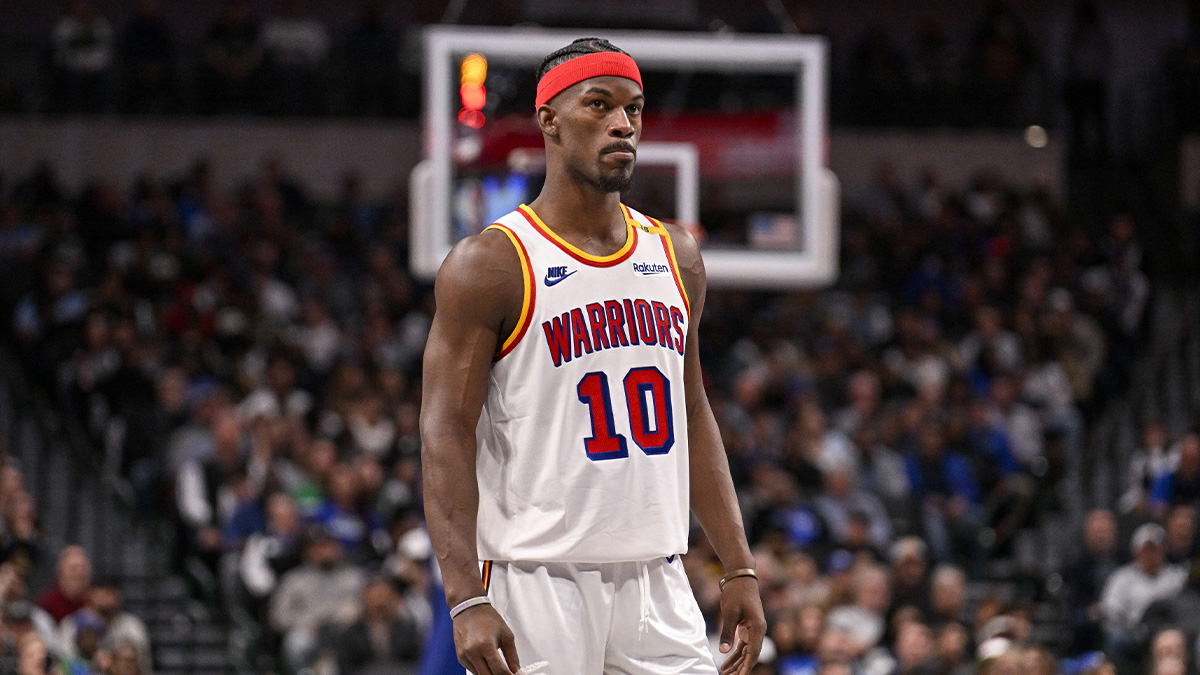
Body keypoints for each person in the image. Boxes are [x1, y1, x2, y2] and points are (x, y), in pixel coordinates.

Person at [421, 37, 766, 675]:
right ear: (548, 119)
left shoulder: (676, 254)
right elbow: (444, 429)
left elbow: (692, 411)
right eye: (599, 105)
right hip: (536, 579)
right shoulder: (492, 263)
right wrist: (465, 593)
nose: (622, 124)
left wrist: (737, 563)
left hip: (658, 576)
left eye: (634, 109)